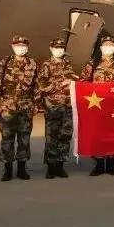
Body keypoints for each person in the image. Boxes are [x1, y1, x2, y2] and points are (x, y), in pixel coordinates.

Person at [79, 35, 114, 176]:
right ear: (101, 48)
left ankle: (112, 163)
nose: (108, 47)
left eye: (111, 45)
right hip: (97, 105)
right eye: (105, 45)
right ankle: (99, 164)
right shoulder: (93, 63)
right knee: (97, 134)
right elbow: (83, 81)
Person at [0, 35, 38, 182]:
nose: (20, 48)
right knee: (7, 138)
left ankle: (22, 170)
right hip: (8, 106)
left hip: (26, 106)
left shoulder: (33, 63)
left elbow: (36, 86)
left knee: (24, 139)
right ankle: (8, 170)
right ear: (12, 46)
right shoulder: (5, 62)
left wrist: (37, 104)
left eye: (23, 45)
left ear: (27, 47)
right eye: (17, 45)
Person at [36, 37, 77, 179]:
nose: (59, 50)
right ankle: (51, 167)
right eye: (56, 48)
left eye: (61, 48)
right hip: (53, 107)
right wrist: (59, 84)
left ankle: (60, 166)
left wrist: (72, 81)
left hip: (67, 106)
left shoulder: (68, 65)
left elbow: (73, 80)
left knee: (65, 136)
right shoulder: (46, 65)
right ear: (51, 49)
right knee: (51, 137)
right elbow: (41, 86)